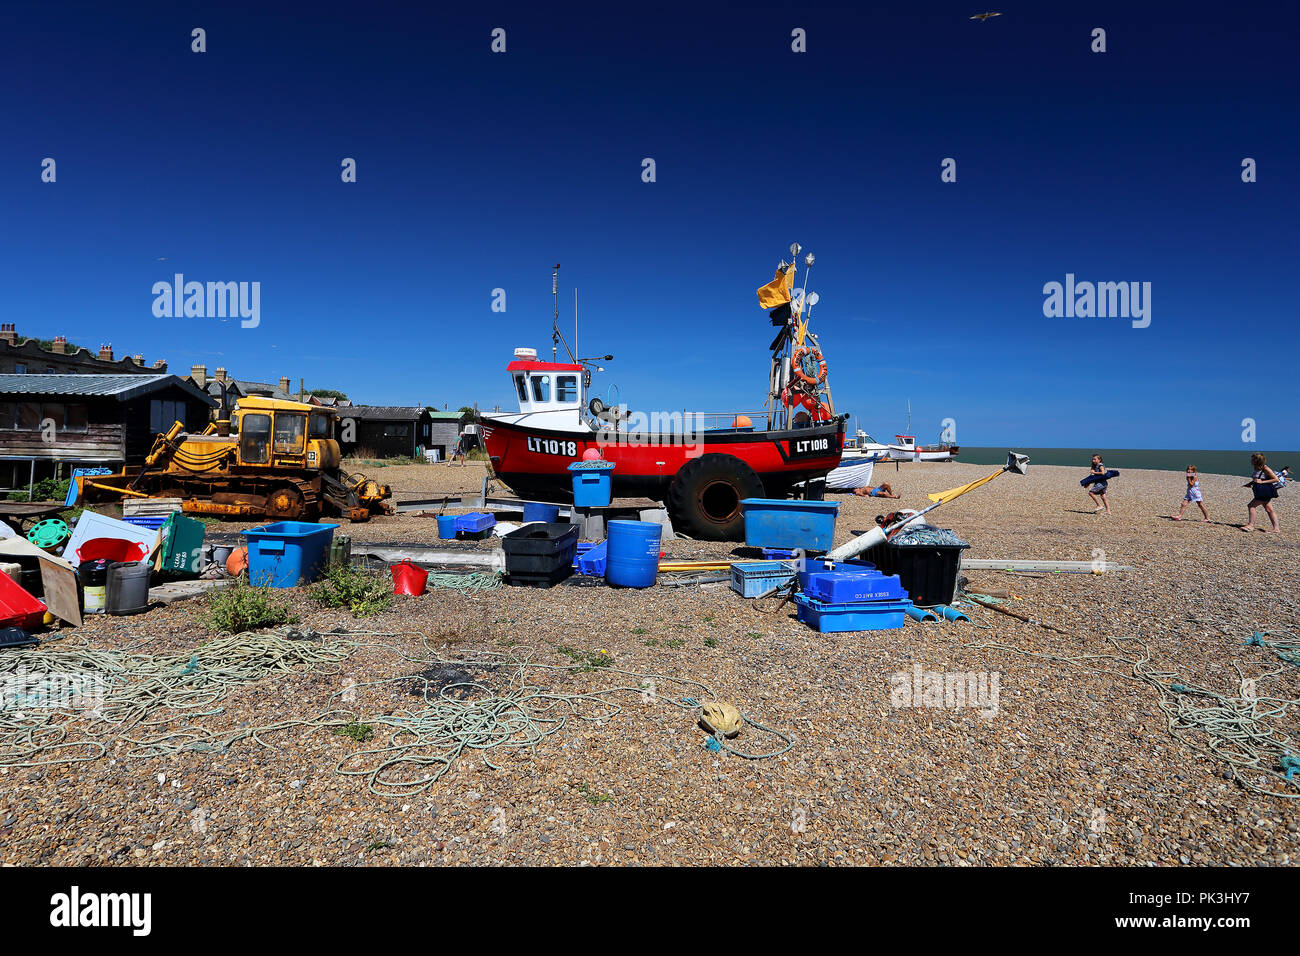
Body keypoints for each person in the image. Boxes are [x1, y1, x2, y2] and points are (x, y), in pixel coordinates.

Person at [1243, 453, 1282, 533]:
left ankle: (1251, 526)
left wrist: (1262, 482)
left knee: (1251, 506)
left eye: (1253, 459)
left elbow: (1276, 479)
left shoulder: (1265, 468)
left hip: (1265, 492)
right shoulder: (1256, 468)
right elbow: (1257, 478)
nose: (1251, 461)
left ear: (1257, 460)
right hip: (1260, 491)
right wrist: (1250, 483)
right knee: (1269, 509)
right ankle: (1276, 528)